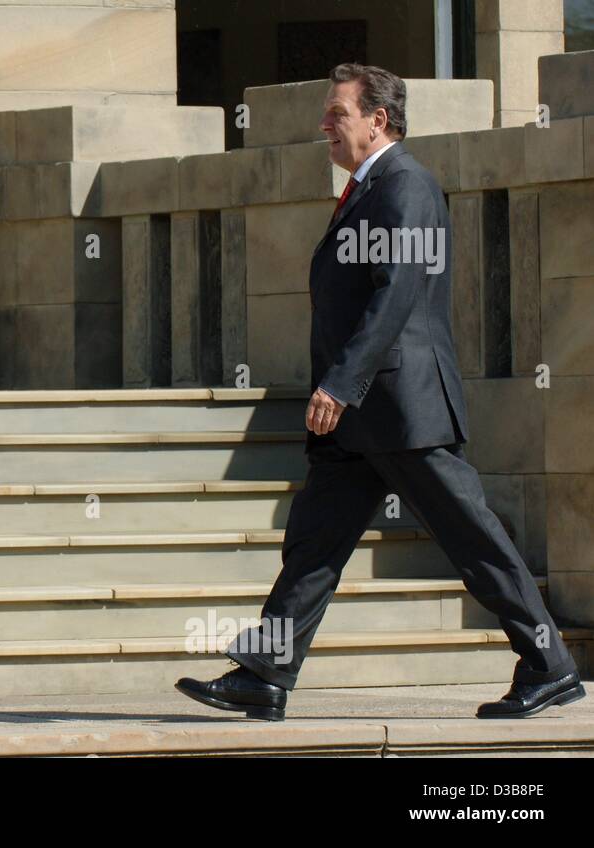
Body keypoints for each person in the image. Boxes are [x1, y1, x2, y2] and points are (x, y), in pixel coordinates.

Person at [175, 63, 584, 721]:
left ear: (379, 119)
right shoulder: (369, 189)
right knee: (314, 543)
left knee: (473, 539)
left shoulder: (406, 185)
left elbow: (398, 295)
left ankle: (548, 664)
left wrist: (341, 383)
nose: (325, 125)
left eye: (336, 113)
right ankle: (266, 671)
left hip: (400, 408)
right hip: (360, 420)